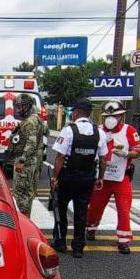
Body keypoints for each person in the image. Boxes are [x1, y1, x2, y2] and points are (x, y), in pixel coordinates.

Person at [50, 99, 108, 258]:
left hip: (68, 176)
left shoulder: (68, 130)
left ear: (75, 113)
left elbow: (60, 157)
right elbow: (103, 159)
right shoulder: (99, 133)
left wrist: (55, 177)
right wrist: (100, 178)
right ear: (89, 114)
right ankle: (78, 247)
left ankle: (60, 242)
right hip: (87, 177)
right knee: (81, 211)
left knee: (61, 209)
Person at [86, 100, 140, 254]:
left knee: (123, 209)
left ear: (121, 116)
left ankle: (124, 240)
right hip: (102, 177)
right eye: (108, 116)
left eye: (115, 116)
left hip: (121, 178)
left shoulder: (129, 131)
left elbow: (138, 151)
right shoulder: (97, 130)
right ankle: (90, 228)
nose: (111, 119)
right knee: (95, 207)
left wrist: (127, 154)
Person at [10, 94, 44, 216]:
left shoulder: (29, 122)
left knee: (20, 193)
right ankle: (26, 218)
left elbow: (31, 142)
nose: (18, 110)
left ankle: (23, 220)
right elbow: (46, 132)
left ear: (27, 106)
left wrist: (21, 160)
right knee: (28, 192)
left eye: (20, 107)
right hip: (34, 160)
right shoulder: (38, 120)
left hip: (26, 162)